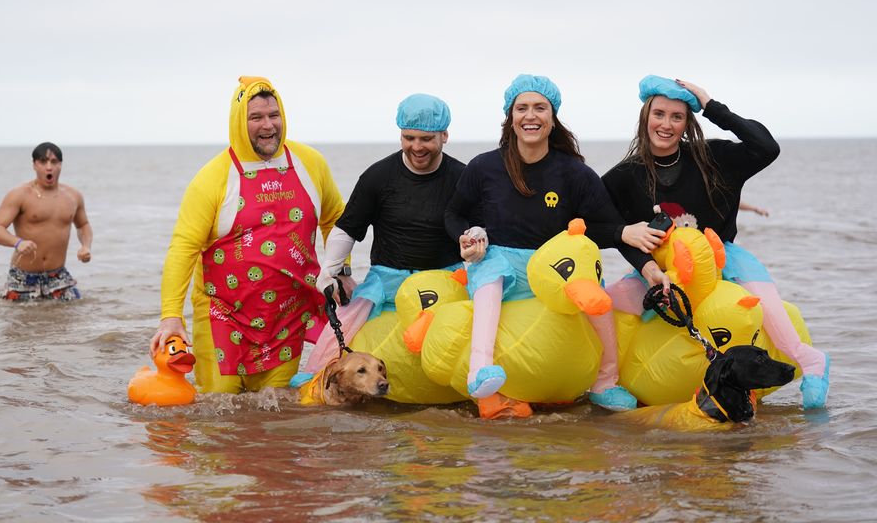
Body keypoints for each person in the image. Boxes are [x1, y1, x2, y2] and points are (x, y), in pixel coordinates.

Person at [444, 74, 669, 418]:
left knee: (597, 298)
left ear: (553, 116)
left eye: (540, 108)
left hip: (553, 269)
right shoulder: (484, 166)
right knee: (488, 278)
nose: (530, 116)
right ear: (510, 116)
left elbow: (607, 226)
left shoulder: (574, 173)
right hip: (501, 263)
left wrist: (647, 265)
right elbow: (454, 212)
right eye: (522, 108)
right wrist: (464, 239)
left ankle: (605, 383)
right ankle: (480, 372)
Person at [601, 75, 829, 409]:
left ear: (687, 122)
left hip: (723, 259)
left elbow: (767, 148)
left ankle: (811, 363)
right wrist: (642, 260)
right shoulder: (624, 176)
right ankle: (605, 382)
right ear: (645, 117)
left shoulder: (713, 158)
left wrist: (710, 105)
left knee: (766, 305)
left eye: (677, 117)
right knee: (610, 303)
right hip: (665, 271)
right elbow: (602, 225)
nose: (666, 124)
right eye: (659, 114)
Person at [150, 76, 345, 394]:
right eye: (256, 117)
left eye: (273, 115)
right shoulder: (213, 177)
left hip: (286, 319)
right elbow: (183, 248)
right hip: (224, 318)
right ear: (240, 122)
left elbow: (336, 218)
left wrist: (339, 271)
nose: (268, 125)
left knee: (273, 421)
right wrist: (171, 316)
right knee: (220, 418)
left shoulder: (310, 163)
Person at [291, 94, 467, 385]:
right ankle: (313, 391)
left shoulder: (463, 177)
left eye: (426, 139)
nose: (417, 147)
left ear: (444, 136)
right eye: (409, 137)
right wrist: (329, 270)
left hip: (444, 279)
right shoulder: (379, 176)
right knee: (332, 345)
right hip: (386, 278)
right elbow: (347, 228)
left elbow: (483, 230)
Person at [0, 142, 92, 301]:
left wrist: (85, 246)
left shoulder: (73, 196)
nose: (49, 167)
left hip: (58, 276)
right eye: (43, 162)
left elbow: (83, 225)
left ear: (60, 165)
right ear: (34, 165)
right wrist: (18, 242)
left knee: (73, 319)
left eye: (54, 162)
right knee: (21, 323)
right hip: (23, 277)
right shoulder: (19, 195)